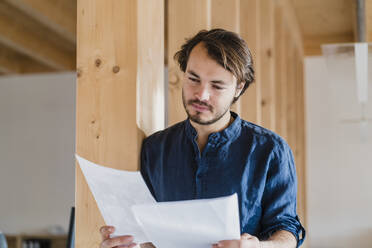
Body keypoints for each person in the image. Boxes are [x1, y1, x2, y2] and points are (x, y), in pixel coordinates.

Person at [99, 29, 305, 248]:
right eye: (193, 79)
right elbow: (147, 236)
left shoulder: (271, 150)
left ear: (238, 88)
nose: (201, 94)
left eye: (216, 86)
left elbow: (287, 229)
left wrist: (261, 247)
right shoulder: (154, 148)